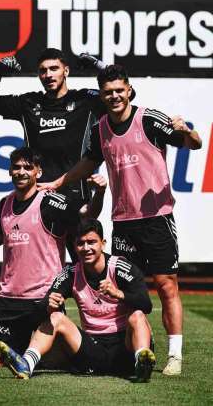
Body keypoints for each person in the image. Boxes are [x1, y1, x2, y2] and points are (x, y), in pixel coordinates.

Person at [41, 64, 202, 375]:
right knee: (123, 289)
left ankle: (175, 356)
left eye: (119, 90)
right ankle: (133, 350)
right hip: (123, 223)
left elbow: (193, 144)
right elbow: (88, 163)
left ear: (129, 90)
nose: (114, 96)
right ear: (102, 96)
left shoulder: (149, 119)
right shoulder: (100, 128)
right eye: (108, 92)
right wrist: (59, 182)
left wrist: (187, 131)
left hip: (157, 218)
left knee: (166, 285)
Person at [0, 147, 106, 360]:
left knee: (51, 360)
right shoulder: (5, 203)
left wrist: (99, 193)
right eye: (16, 167)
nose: (21, 172)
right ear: (9, 171)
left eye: (28, 167)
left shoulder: (51, 203)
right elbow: (1, 234)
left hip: (43, 298)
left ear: (38, 172)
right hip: (8, 298)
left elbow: (88, 216)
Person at [0, 49, 129, 260]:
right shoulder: (29, 103)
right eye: (43, 71)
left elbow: (124, 94)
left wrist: (101, 68)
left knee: (84, 265)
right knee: (40, 264)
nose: (48, 75)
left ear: (66, 71)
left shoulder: (85, 100)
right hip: (39, 197)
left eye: (54, 69)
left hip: (76, 196)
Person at [0, 218, 156, 382]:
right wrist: (49, 306)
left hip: (125, 347)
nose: (86, 248)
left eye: (91, 242)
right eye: (80, 243)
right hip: (93, 348)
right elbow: (40, 311)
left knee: (137, 315)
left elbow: (146, 304)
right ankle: (26, 364)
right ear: (74, 246)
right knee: (56, 317)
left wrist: (118, 294)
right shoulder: (71, 273)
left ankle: (142, 363)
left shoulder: (121, 268)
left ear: (103, 244)